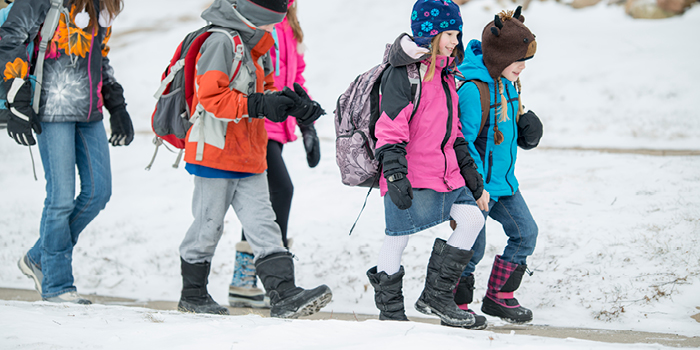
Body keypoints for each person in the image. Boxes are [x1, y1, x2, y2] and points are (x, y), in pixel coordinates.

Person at [176, 0, 331, 319]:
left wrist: (294, 108)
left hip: (250, 154)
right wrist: (258, 105)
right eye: (272, 22)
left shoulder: (254, 45)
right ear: (258, 16)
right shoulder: (221, 42)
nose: (276, 28)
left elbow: (268, 89)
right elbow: (211, 97)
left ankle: (284, 293)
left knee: (265, 225)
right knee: (208, 225)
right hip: (215, 154)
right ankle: (193, 294)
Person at [2, 0, 134, 304]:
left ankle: (39, 256)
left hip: (89, 112)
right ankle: (58, 285)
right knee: (60, 199)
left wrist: (117, 104)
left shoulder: (99, 6)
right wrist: (17, 97)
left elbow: (100, 55)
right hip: (50, 109)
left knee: (99, 193)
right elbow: (10, 40)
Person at [365, 0, 486, 328]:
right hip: (409, 173)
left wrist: (469, 170)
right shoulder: (403, 74)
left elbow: (454, 130)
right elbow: (389, 129)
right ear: (430, 33)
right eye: (449, 33)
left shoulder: (446, 73)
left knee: (473, 219)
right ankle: (390, 312)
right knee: (397, 238)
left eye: (457, 34)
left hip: (445, 173)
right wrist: (394, 172)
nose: (454, 41)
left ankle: (436, 295)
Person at [228, 0, 321, 309]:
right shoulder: (258, 17)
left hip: (278, 125)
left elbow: (297, 78)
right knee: (280, 190)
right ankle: (268, 276)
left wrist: (306, 122)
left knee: (263, 196)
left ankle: (246, 280)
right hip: (255, 119)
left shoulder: (290, 25)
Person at [454, 6, 542, 326]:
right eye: (518, 60)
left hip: (504, 184)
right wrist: (476, 186)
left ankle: (498, 296)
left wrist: (527, 130)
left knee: (525, 233)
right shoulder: (473, 90)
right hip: (474, 186)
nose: (522, 67)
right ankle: (457, 303)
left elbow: (502, 129)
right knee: (470, 248)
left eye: (525, 61)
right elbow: (461, 143)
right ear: (499, 57)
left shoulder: (508, 84)